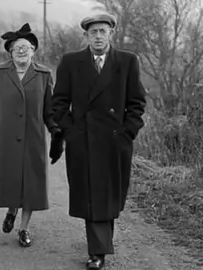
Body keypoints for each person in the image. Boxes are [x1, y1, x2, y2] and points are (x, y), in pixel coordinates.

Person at [49, 13, 146, 269]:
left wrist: (127, 133)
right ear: (86, 36)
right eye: (93, 32)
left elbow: (136, 103)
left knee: (110, 195)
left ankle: (101, 244)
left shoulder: (127, 61)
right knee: (92, 196)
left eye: (103, 31)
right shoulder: (71, 62)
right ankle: (98, 252)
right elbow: (58, 103)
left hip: (116, 141)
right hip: (84, 142)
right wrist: (72, 132)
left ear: (111, 33)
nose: (98, 36)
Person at [0, 23, 61, 248]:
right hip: (4, 139)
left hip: (32, 139)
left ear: (34, 50)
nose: (21, 50)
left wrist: (55, 132)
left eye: (26, 46)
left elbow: (49, 111)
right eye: (16, 47)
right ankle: (12, 210)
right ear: (10, 52)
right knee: (12, 180)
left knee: (32, 185)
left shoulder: (43, 75)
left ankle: (24, 228)